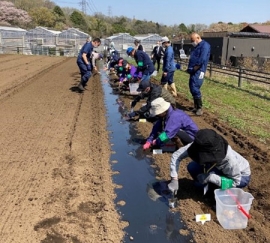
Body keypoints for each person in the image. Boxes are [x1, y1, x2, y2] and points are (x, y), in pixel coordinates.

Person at [167, 129, 251, 195]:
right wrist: (174, 178)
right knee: (192, 167)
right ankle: (208, 186)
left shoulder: (229, 160)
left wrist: (211, 178)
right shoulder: (201, 144)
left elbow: (235, 182)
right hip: (219, 168)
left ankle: (217, 190)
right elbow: (177, 155)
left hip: (240, 176)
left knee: (216, 190)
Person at [187, 33, 211, 116]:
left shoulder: (205, 46)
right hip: (193, 70)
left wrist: (194, 68)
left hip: (199, 70)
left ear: (198, 38)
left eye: (193, 40)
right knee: (191, 86)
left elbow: (202, 59)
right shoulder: (196, 47)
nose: (192, 42)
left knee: (195, 87)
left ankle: (200, 108)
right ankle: (196, 106)